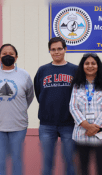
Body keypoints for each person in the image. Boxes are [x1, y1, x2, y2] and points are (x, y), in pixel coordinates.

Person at [0, 44, 34, 175]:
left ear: (16, 57)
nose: (8, 56)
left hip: (18, 125)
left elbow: (29, 96)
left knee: (16, 161)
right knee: (0, 161)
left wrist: (19, 108)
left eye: (11, 54)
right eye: (4, 53)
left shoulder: (24, 75)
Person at [34, 37, 77, 175]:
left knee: (70, 163)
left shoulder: (75, 70)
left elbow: (79, 94)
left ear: (65, 49)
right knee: (47, 164)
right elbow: (39, 93)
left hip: (70, 124)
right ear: (49, 51)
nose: (56, 52)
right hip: (47, 125)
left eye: (59, 49)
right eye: (53, 49)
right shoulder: (42, 70)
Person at [69, 53, 102, 175]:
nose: (90, 66)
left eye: (93, 63)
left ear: (98, 66)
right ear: (82, 66)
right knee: (83, 169)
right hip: (82, 134)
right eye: (87, 63)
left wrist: (95, 128)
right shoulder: (77, 85)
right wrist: (87, 126)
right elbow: (73, 107)